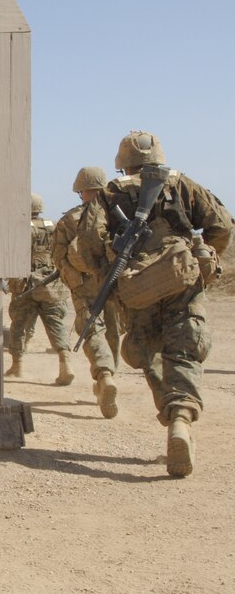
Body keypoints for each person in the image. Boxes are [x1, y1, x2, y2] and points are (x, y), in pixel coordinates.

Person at [75, 131, 232, 477]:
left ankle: (172, 412)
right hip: (182, 281)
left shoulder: (108, 194)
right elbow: (220, 226)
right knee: (185, 349)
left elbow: (87, 242)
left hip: (136, 288)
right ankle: (181, 420)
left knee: (147, 352)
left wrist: (110, 273)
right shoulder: (183, 185)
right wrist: (203, 257)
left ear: (123, 162)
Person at [51, 167, 123, 418]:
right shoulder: (115, 214)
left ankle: (103, 374)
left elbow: (59, 257)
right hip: (112, 280)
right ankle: (109, 376)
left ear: (81, 191)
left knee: (91, 327)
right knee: (113, 330)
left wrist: (74, 280)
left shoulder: (70, 219)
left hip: (84, 283)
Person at [4, 193, 75, 385]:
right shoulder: (54, 226)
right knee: (56, 325)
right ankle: (65, 365)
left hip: (26, 286)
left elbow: (12, 255)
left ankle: (17, 366)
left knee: (19, 327)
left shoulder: (21, 228)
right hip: (51, 285)